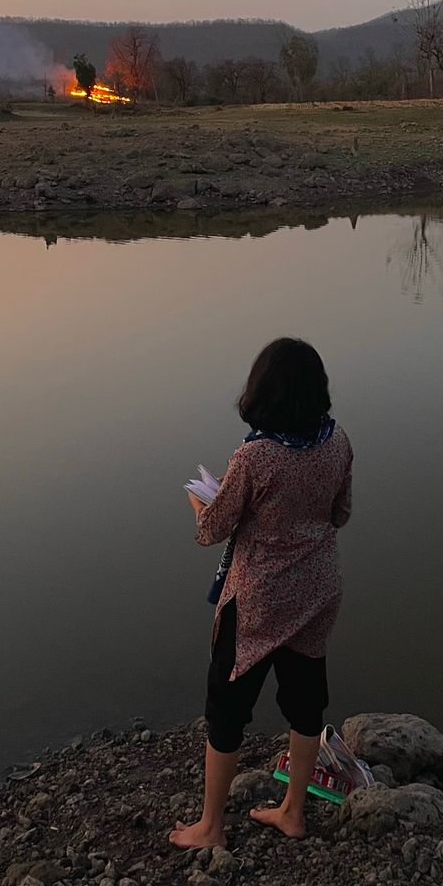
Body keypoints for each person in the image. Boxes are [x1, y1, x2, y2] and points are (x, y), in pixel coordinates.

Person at [169, 337, 353, 849]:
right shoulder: (338, 443)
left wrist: (197, 498)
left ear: (261, 392)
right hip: (316, 590)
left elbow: (211, 529)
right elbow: (339, 514)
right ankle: (293, 812)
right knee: (305, 701)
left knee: (227, 709)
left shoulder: (255, 456)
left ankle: (211, 826)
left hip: (258, 600)